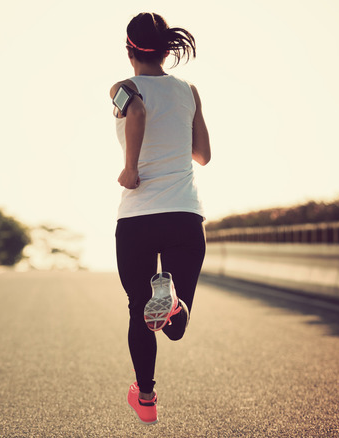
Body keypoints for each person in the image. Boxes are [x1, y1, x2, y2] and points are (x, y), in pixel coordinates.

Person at [110, 12, 210, 425]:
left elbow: (134, 112)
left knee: (138, 309)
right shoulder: (189, 91)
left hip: (137, 219)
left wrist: (131, 168)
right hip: (184, 216)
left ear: (129, 49)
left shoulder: (123, 88)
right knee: (174, 324)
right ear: (169, 49)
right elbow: (202, 154)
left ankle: (146, 398)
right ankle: (173, 305)